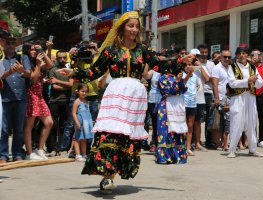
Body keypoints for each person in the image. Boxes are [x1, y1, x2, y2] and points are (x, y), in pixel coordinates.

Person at [58, 11, 193, 194]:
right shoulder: (111, 50)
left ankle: (113, 174)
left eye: (136, 26)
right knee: (110, 133)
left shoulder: (142, 50)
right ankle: (107, 176)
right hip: (116, 94)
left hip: (136, 97)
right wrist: (74, 73)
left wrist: (179, 62)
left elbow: (159, 66)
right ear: (122, 28)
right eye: (130, 25)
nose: (134, 29)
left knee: (126, 137)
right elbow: (94, 71)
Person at [226, 46, 263, 158]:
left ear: (247, 55)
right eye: (240, 53)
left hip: (250, 97)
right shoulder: (232, 67)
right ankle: (232, 149)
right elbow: (232, 83)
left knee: (251, 122)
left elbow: (260, 83)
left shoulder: (253, 68)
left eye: (244, 53)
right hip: (238, 97)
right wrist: (247, 80)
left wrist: (255, 81)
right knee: (236, 122)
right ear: (237, 55)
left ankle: (252, 149)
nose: (242, 55)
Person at [0, 35, 31, 163]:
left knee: (19, 128)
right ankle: (3, 155)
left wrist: (21, 69)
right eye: (8, 43)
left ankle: (18, 153)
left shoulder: (23, 57)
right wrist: (8, 72)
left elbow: (29, 74)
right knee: (3, 129)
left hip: (20, 97)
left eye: (13, 43)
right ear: (3, 44)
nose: (11, 45)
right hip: (4, 98)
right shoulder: (0, 59)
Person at [23, 42, 54, 160]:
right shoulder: (27, 61)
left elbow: (50, 65)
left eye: (35, 49)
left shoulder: (38, 60)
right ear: (26, 51)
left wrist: (42, 51)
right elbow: (33, 78)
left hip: (39, 95)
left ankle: (40, 149)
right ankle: (29, 153)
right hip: (31, 95)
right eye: (31, 49)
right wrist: (38, 65)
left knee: (49, 122)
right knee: (29, 125)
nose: (33, 51)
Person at [212, 50, 231, 150]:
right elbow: (215, 84)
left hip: (229, 98)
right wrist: (216, 98)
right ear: (221, 58)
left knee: (227, 122)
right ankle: (218, 143)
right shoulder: (217, 68)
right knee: (218, 123)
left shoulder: (230, 67)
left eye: (229, 57)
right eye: (225, 57)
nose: (227, 59)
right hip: (219, 98)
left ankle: (225, 144)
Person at [72, 83, 94, 162]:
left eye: (86, 91)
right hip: (79, 123)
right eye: (82, 91)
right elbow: (74, 113)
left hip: (86, 123)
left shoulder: (86, 101)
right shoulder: (77, 102)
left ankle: (84, 154)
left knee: (84, 139)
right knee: (78, 138)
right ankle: (78, 155)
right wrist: (77, 122)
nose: (84, 93)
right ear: (78, 91)